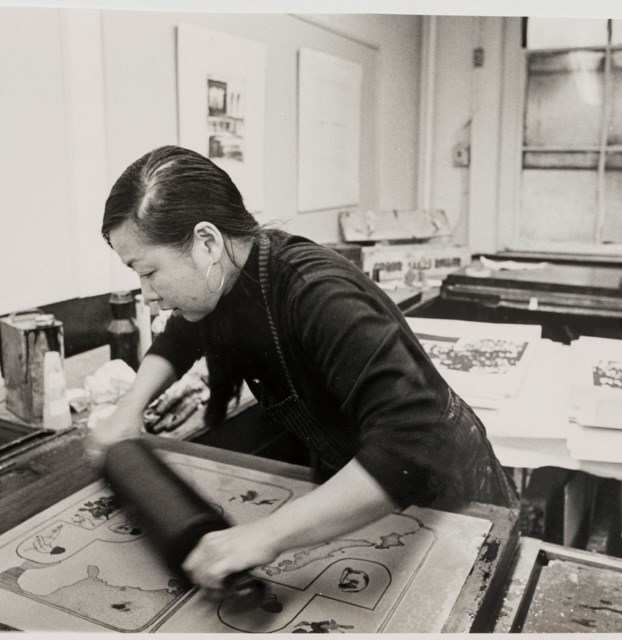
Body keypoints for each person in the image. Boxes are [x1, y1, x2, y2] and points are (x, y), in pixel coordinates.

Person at [87, 145, 518, 592]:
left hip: (449, 500)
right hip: (370, 493)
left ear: (207, 242)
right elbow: (180, 336)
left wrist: (264, 536)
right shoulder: (225, 280)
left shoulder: (318, 294)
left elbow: (407, 444)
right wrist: (128, 410)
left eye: (149, 271)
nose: (147, 293)